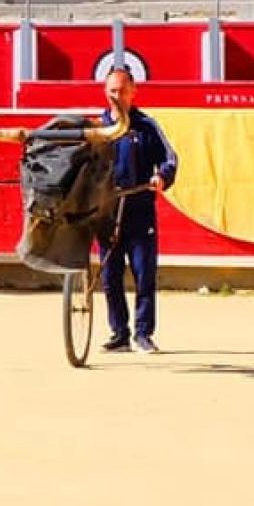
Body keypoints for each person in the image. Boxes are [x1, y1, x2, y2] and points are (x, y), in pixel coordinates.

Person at [97, 66, 178, 354]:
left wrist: (162, 177)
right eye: (112, 91)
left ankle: (143, 334)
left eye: (122, 90)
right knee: (109, 277)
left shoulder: (146, 125)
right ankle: (119, 333)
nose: (117, 96)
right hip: (106, 213)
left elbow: (169, 159)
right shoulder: (96, 127)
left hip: (140, 208)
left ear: (134, 91)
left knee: (144, 274)